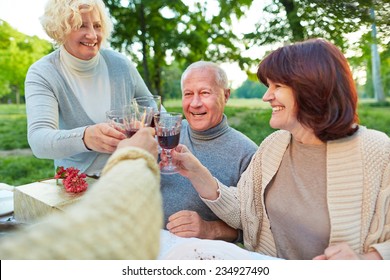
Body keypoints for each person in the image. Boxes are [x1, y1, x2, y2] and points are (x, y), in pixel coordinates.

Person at [169, 39, 390, 260]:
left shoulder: (377, 151)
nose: (266, 96)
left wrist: (364, 261)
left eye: (278, 86)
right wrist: (195, 171)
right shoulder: (275, 145)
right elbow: (244, 211)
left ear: (311, 88)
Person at [25, 0, 155, 177]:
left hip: (129, 175)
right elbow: (39, 141)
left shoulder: (121, 64)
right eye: (81, 26)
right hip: (78, 184)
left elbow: (153, 108)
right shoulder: (43, 73)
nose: (93, 35)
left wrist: (145, 124)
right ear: (60, 29)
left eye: (97, 25)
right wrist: (85, 138)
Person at [0, 128, 162, 259]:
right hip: (109, 182)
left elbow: (157, 113)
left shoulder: (127, 84)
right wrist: (84, 137)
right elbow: (111, 232)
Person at [163, 61, 257, 242]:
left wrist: (209, 229)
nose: (195, 103)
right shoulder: (167, 134)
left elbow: (254, 228)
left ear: (226, 95)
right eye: (188, 94)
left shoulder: (247, 153)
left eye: (205, 93)